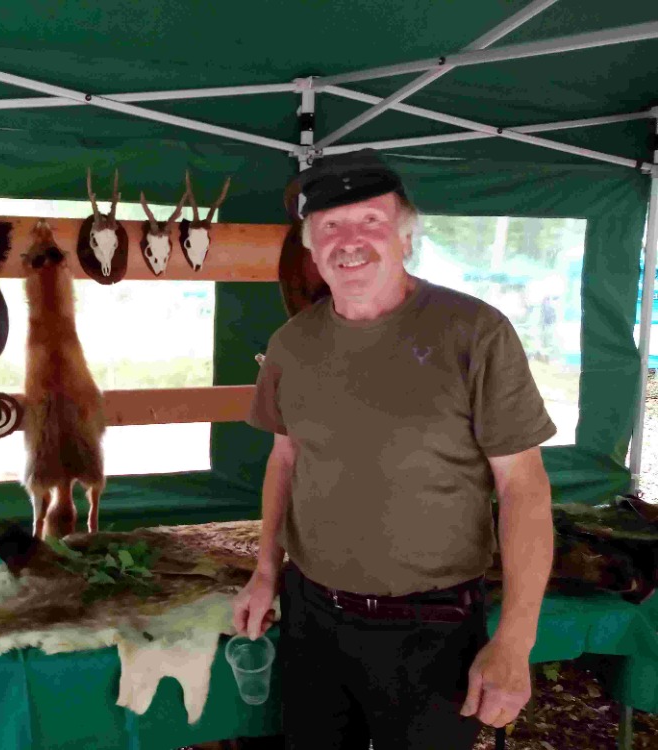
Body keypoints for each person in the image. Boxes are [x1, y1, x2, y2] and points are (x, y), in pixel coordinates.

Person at [233, 149, 556, 749]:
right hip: (313, 617)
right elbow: (285, 459)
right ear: (311, 249)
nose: (349, 241)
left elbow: (524, 487)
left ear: (406, 237)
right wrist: (265, 570)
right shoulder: (291, 345)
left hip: (433, 627)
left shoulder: (474, 332)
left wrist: (516, 640)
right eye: (331, 226)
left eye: (371, 221)